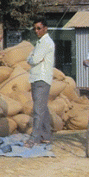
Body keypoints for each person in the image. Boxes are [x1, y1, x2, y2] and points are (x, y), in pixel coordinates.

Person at [25, 18, 55, 148]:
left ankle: (34, 138)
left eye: (39, 28)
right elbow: (30, 57)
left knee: (38, 109)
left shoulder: (46, 42)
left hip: (42, 78)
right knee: (42, 108)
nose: (36, 31)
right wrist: (32, 58)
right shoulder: (40, 42)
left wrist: (32, 58)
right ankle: (46, 136)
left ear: (45, 28)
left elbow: (34, 59)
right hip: (36, 77)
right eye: (35, 28)